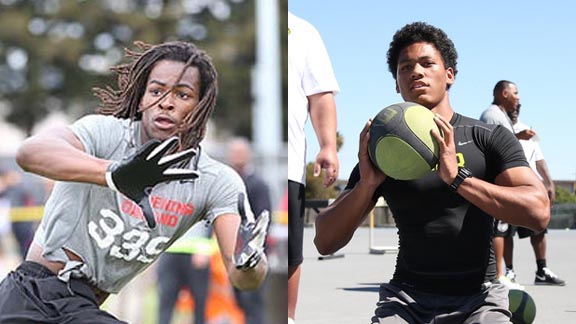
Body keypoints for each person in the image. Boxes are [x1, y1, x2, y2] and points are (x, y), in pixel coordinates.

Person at [0, 40, 269, 323]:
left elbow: (244, 278)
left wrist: (250, 261)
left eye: (182, 95)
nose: (166, 103)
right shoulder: (106, 134)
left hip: (83, 306)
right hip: (30, 294)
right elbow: (30, 153)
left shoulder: (216, 181)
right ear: (141, 99)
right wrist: (113, 174)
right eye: (156, 91)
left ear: (201, 106)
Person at [314, 22, 550, 323]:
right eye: (405, 67)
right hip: (407, 299)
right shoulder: (384, 151)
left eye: (427, 63)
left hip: (479, 297)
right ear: (397, 83)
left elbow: (538, 211)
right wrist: (366, 186)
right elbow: (324, 241)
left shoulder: (487, 137)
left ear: (449, 74)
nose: (416, 72)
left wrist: (458, 178)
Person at [288, 11, 340, 324]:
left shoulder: (303, 31)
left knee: (288, 253)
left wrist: (328, 146)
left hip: (287, 166)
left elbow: (320, 96)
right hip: (233, 164)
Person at [480, 80, 536, 289]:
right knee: (497, 230)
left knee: (502, 230)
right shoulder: (492, 115)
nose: (518, 97)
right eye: (516, 93)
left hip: (502, 182)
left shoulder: (500, 115)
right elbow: (494, 146)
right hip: (496, 182)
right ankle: (497, 276)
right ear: (504, 93)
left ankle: (499, 274)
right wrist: (518, 136)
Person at [500, 105, 565, 286]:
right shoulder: (499, 128)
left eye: (517, 107)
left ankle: (542, 270)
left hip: (528, 187)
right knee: (505, 233)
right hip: (507, 186)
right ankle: (509, 271)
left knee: (538, 228)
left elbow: (539, 160)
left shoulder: (527, 130)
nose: (515, 110)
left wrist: (549, 182)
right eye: (511, 107)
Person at [226, 137, 272, 324]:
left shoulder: (257, 184)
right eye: (233, 153)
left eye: (240, 153)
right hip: (233, 254)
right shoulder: (227, 183)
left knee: (252, 303)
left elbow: (264, 219)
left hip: (251, 255)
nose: (236, 157)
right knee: (239, 302)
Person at [156, 221, 215, 324]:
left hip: (196, 253)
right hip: (170, 251)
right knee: (165, 303)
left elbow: (212, 215)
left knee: (200, 304)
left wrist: (204, 247)